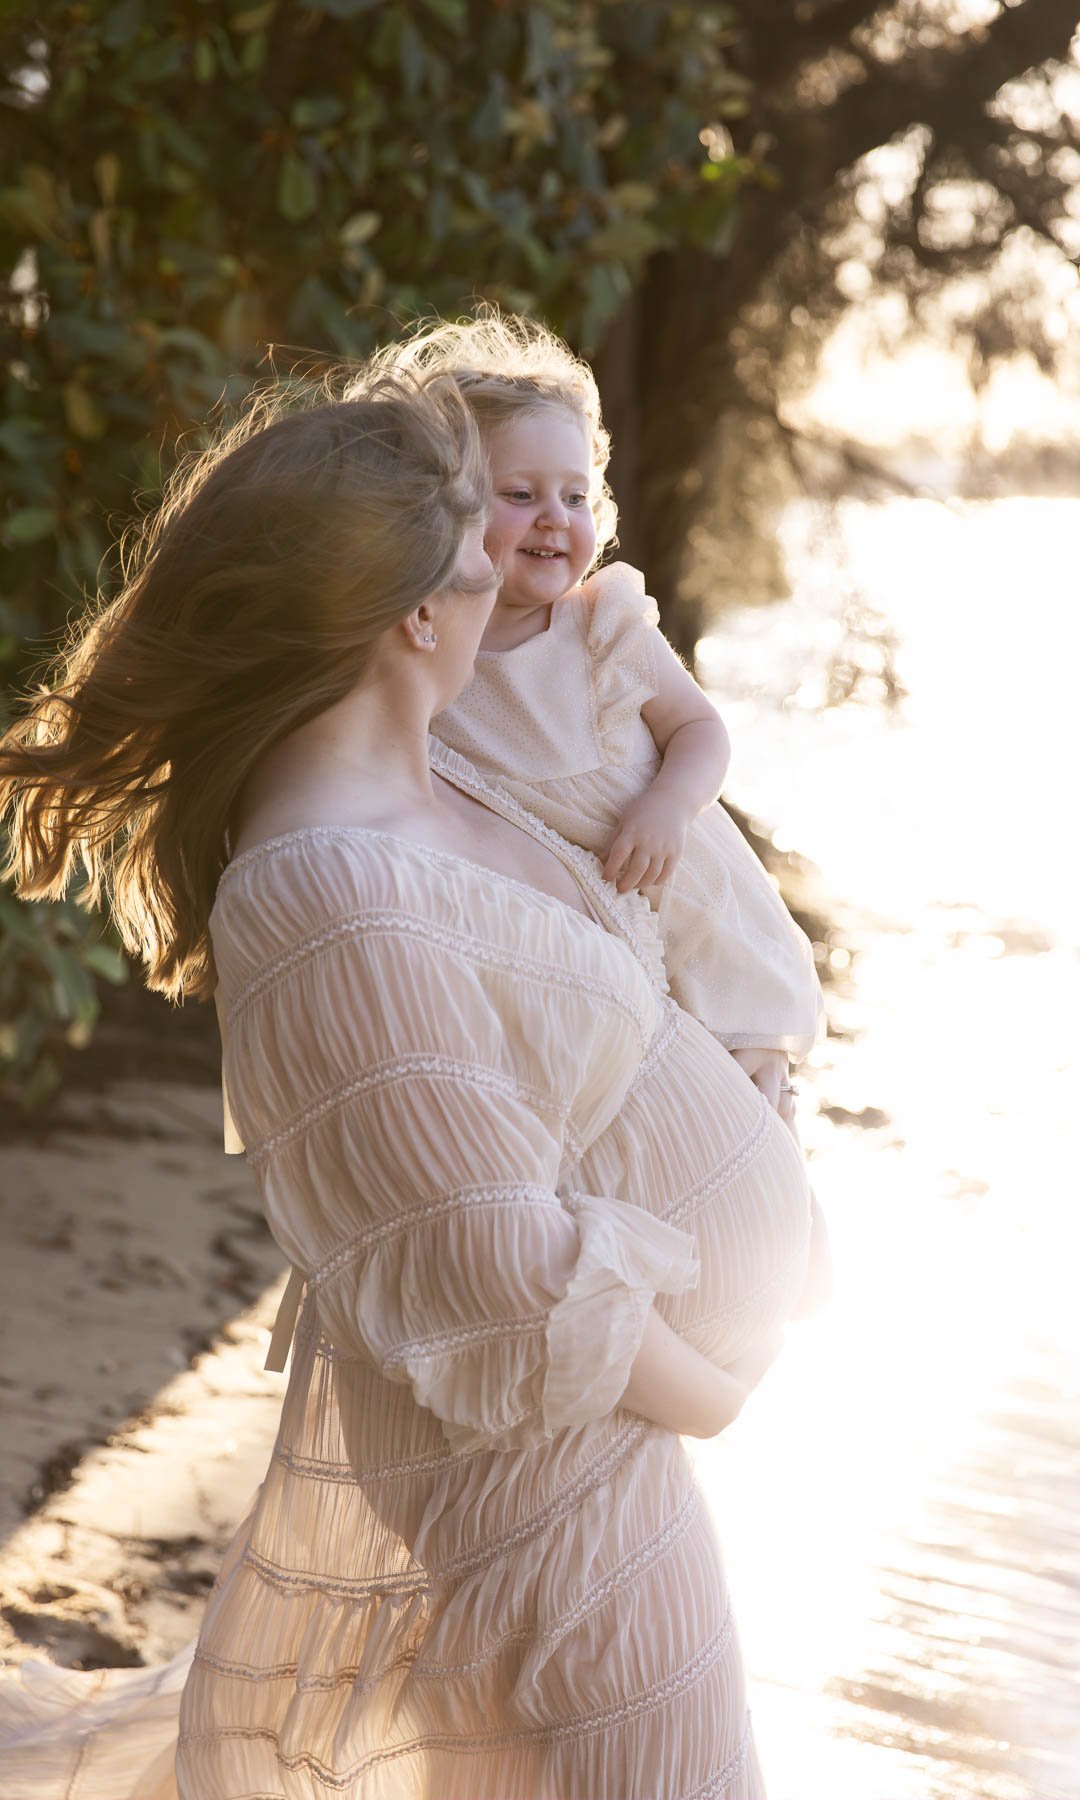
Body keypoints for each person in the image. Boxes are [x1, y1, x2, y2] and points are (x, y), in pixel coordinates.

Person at [0, 364, 821, 1798]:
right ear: (410, 618)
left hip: (591, 1470)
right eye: (468, 556)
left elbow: (579, 1039)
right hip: (547, 1500)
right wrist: (719, 1392)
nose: (511, 571)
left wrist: (738, 1105)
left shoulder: (456, 772)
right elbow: (493, 1267)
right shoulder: (329, 892)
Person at [348, 312, 824, 1122]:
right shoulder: (424, 654)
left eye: (574, 496)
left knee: (751, 1100)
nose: (553, 519)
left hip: (690, 892)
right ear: (445, 509)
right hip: (595, 935)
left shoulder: (603, 630)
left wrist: (669, 804)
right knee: (653, 1110)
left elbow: (701, 729)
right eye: (520, 495)